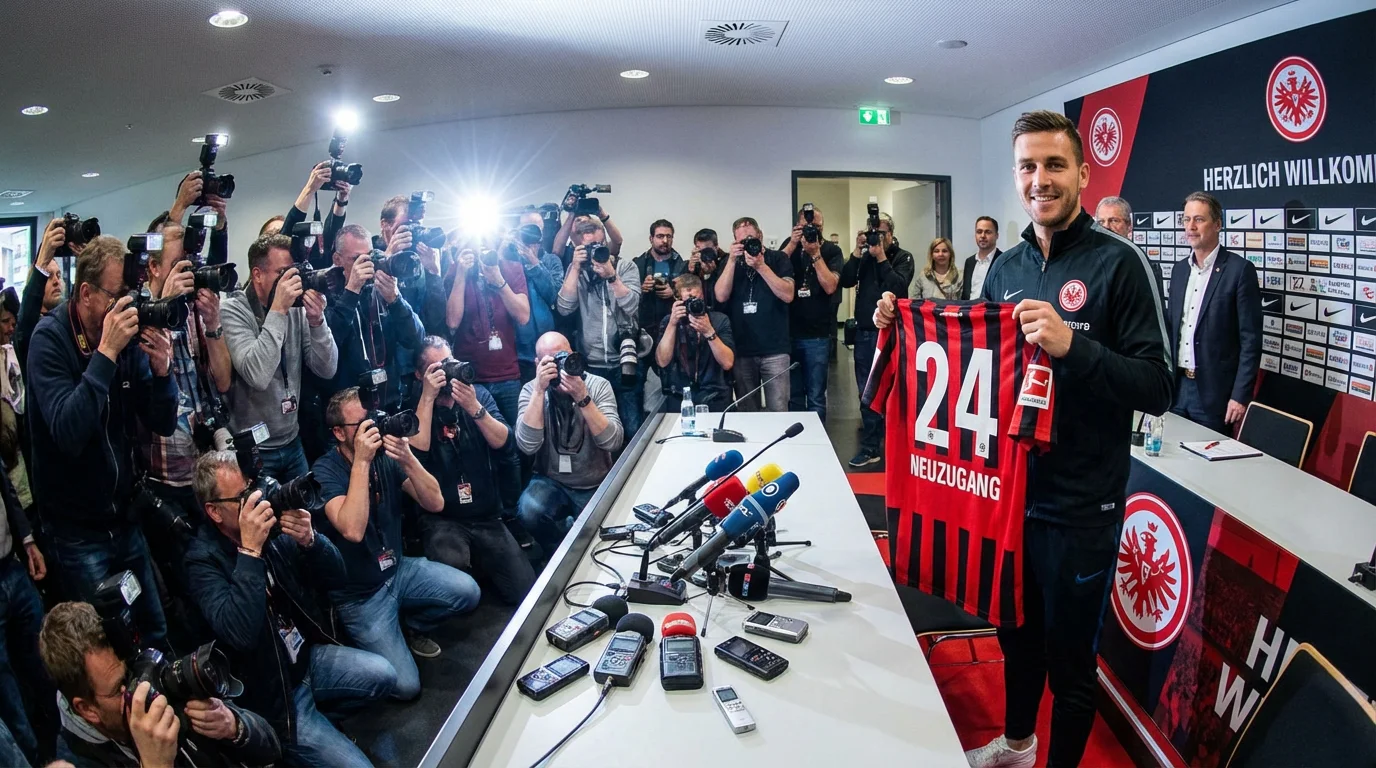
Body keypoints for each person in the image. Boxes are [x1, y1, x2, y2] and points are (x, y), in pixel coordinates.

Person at [874, 109, 1172, 768]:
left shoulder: (1121, 265)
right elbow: (967, 358)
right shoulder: (1000, 268)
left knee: (1071, 665)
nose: (1041, 179)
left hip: (1081, 505)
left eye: (1055, 164)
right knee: (1014, 635)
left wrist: (1072, 347)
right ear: (1016, 178)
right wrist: (899, 323)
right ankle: (1017, 743)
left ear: (1083, 172)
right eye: (1028, 167)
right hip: (1007, 496)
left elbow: (1159, 386)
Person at [186, 451, 395, 768]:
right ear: (214, 511)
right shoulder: (201, 562)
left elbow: (337, 576)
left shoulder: (270, 529)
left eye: (252, 488)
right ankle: (294, 746)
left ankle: (325, 720)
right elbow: (240, 632)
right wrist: (249, 552)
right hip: (276, 695)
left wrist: (312, 540)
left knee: (386, 676)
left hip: (307, 659)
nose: (255, 500)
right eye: (241, 497)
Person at [28, 237, 178, 647]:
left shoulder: (127, 340)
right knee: (110, 644)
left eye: (131, 296)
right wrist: (106, 352)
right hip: (76, 530)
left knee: (155, 631)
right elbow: (68, 431)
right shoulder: (49, 340)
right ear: (87, 293)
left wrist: (164, 374)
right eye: (117, 296)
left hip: (125, 517)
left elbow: (162, 422)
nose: (126, 308)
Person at [312, 387, 480, 700]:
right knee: (405, 687)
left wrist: (407, 458)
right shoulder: (324, 471)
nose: (370, 430)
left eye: (371, 420)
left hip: (399, 571)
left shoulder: (385, 458)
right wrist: (361, 462)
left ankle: (410, 623)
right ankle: (368, 639)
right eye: (360, 425)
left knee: (468, 592)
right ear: (338, 432)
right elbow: (352, 529)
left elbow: (435, 502)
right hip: (361, 595)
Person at [38, 601, 281, 768]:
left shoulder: (153, 677)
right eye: (119, 687)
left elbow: (272, 749)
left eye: (130, 671)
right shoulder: (78, 761)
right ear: (87, 709)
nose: (139, 688)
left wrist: (234, 726)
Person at [411, 337, 535, 605]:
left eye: (449, 363)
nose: (446, 373)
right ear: (420, 375)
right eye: (437, 368)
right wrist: (427, 398)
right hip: (443, 517)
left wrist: (474, 408)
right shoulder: (414, 407)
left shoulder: (477, 395)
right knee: (453, 570)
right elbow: (416, 455)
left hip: (486, 515)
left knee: (526, 593)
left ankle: (483, 563)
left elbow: (505, 443)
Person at [221, 234, 339, 481]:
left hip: (291, 439)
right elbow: (258, 375)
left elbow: (327, 368)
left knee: (304, 515)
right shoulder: (234, 309)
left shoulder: (294, 308)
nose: (291, 282)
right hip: (253, 448)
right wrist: (278, 310)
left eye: (293, 273)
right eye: (282, 273)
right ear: (257, 275)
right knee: (263, 518)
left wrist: (317, 322)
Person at [516, 332, 623, 556]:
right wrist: (539, 390)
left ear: (573, 356)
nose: (558, 367)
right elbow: (527, 445)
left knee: (604, 541)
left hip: (595, 482)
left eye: (562, 358)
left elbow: (613, 441)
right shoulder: (531, 390)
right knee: (529, 510)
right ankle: (560, 548)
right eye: (549, 361)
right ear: (537, 364)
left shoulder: (597, 385)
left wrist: (583, 397)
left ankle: (574, 534)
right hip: (551, 480)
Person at [1167, 191, 1261, 434]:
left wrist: (1240, 396)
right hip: (1175, 390)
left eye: (1199, 219)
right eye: (1186, 220)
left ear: (1218, 224)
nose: (1191, 227)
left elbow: (1250, 340)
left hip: (1213, 395)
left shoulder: (1240, 271)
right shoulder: (1178, 271)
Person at [555, 216, 643, 435]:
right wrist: (575, 268)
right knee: (598, 430)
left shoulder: (625, 267)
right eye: (588, 248)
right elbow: (564, 307)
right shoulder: (578, 272)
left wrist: (612, 276)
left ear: (604, 239)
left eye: (598, 246)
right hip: (591, 364)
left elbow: (631, 305)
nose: (595, 251)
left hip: (624, 361)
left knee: (631, 429)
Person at [840, 211, 913, 467]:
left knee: (895, 391)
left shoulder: (903, 257)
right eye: (873, 233)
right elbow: (846, 279)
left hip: (893, 333)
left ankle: (897, 445)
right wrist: (858, 251)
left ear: (891, 234)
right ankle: (871, 448)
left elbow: (898, 287)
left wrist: (880, 256)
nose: (876, 238)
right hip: (864, 333)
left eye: (881, 233)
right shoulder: (865, 256)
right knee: (867, 392)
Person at [323, 224, 425, 408]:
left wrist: (395, 300)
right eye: (357, 259)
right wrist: (352, 291)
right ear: (337, 260)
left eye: (369, 257)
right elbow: (327, 347)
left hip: (389, 400)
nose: (366, 264)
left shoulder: (382, 289)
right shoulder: (326, 293)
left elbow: (416, 339)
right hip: (350, 407)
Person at [0, 458, 54, 767]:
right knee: (6, 693)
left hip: (11, 566)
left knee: (44, 658)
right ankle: (33, 759)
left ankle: (64, 739)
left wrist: (27, 540)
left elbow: (5, 486)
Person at [442, 239, 530, 428]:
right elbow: (452, 322)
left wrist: (499, 280)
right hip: (470, 376)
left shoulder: (512, 267)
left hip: (507, 374)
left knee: (514, 439)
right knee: (479, 441)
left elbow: (523, 316)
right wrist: (461, 275)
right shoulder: (456, 270)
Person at [713, 217, 794, 412]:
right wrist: (732, 260)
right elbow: (720, 296)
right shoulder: (729, 262)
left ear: (760, 236)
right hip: (742, 350)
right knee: (747, 411)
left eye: (751, 238)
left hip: (775, 349)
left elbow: (788, 294)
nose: (747, 244)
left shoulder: (778, 259)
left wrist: (760, 266)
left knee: (779, 409)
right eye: (742, 241)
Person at [782, 206, 843, 420]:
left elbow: (830, 286)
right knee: (794, 396)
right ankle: (797, 444)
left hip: (818, 334)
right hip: (789, 332)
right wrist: (792, 243)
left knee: (816, 397)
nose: (812, 231)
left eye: (817, 227)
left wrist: (815, 254)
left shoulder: (832, 251)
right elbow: (773, 268)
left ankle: (818, 446)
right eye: (808, 227)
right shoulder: (789, 247)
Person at [655, 274, 735, 413]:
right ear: (678, 299)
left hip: (715, 396)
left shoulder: (719, 320)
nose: (693, 305)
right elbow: (662, 361)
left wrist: (709, 332)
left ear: (703, 295)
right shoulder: (670, 321)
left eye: (696, 300)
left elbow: (727, 363)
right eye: (687, 301)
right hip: (680, 396)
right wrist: (672, 323)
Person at [511, 214, 566, 384]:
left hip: (547, 345)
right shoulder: (509, 261)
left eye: (535, 228)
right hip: (517, 349)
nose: (531, 233)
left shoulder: (551, 261)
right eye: (526, 228)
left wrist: (534, 262)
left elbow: (553, 296)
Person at [16, 219, 69, 378]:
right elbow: (28, 310)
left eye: (58, 275)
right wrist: (42, 261)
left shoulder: (66, 321)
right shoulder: (28, 326)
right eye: (48, 276)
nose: (56, 281)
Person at [633, 220, 686, 337]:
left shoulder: (683, 266)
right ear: (651, 238)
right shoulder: (638, 264)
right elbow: (627, 297)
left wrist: (674, 293)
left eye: (669, 236)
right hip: (644, 327)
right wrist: (641, 288)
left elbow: (693, 296)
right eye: (660, 236)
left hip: (675, 327)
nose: (665, 241)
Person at [961, 216, 1002, 300]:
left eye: (988, 232)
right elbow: (965, 295)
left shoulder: (1003, 261)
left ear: (996, 235)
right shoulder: (969, 262)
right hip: (969, 311)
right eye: (979, 232)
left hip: (991, 311)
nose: (983, 236)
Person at [687, 228, 725, 310]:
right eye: (700, 251)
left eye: (707, 250)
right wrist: (690, 271)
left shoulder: (726, 262)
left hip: (723, 313)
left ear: (716, 247)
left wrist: (712, 273)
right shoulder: (695, 264)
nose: (704, 254)